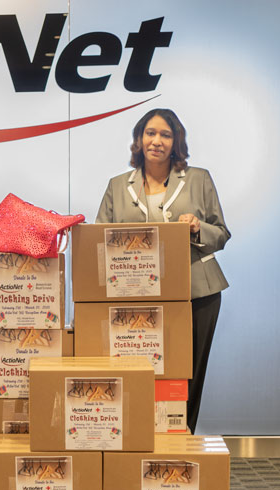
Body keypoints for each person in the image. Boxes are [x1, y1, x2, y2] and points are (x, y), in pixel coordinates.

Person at [95, 108, 230, 434]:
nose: (157, 141)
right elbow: (99, 241)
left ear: (176, 141)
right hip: (135, 297)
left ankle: (182, 437)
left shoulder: (199, 179)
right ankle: (138, 439)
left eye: (165, 134)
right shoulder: (117, 186)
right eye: (150, 133)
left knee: (188, 374)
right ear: (139, 140)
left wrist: (198, 228)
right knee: (140, 373)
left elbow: (222, 233)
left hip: (197, 291)